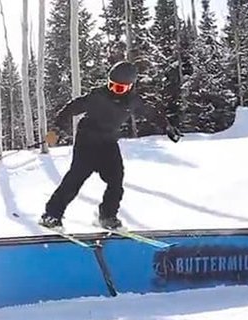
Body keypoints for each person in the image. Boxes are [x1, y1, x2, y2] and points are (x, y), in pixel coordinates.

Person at [40, 61, 182, 230]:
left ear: (129, 87)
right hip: (87, 141)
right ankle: (51, 215)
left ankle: (107, 216)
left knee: (116, 179)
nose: (114, 91)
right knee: (76, 178)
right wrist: (57, 129)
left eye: (120, 88)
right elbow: (71, 108)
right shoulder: (97, 96)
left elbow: (150, 112)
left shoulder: (133, 101)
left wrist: (167, 127)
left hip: (108, 142)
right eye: (111, 85)